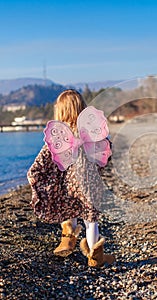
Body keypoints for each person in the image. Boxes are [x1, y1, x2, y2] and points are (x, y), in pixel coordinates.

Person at [27, 89, 115, 267]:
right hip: (90, 184)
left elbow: (44, 157)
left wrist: (33, 173)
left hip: (67, 185)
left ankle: (68, 236)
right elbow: (106, 151)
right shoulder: (91, 131)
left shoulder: (58, 134)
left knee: (67, 208)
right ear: (82, 107)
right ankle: (95, 256)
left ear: (60, 110)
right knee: (91, 220)